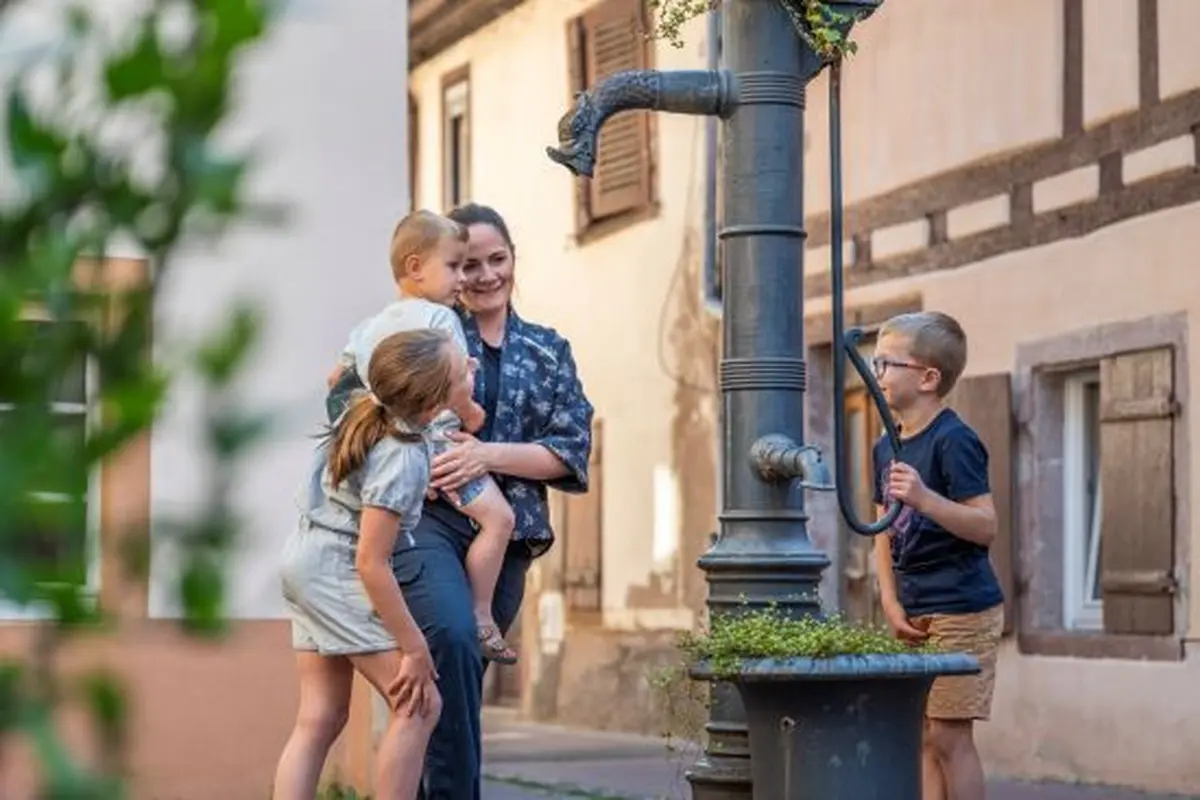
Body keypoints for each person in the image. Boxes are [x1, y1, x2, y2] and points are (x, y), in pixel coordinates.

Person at [327, 202, 594, 799]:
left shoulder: (549, 349)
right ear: (445, 269)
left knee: (458, 680)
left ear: (513, 261)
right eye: (468, 264)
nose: (484, 275)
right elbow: (355, 398)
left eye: (497, 260)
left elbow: (571, 450)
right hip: (429, 521)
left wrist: (485, 455)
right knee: (448, 640)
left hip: (506, 539)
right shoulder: (426, 328)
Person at [273, 328, 473, 800]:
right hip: (336, 569)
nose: (472, 372)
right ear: (433, 399)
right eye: (463, 371)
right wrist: (415, 648)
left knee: (320, 716)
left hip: (305, 558)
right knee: (419, 706)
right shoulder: (400, 455)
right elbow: (371, 563)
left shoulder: (371, 408)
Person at [327, 209, 520, 665]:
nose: (461, 280)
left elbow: (335, 382)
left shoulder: (367, 327)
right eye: (454, 266)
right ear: (416, 268)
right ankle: (481, 615)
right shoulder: (441, 321)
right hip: (442, 452)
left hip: (394, 445)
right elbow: (456, 389)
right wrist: (472, 415)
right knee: (500, 521)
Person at [870, 311, 1004, 800]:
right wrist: (890, 600)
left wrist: (926, 499)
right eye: (875, 362)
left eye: (887, 363)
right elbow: (881, 530)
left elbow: (985, 526)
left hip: (962, 606)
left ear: (928, 377)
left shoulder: (955, 440)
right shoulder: (886, 446)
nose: (876, 374)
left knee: (950, 736)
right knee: (923, 735)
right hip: (914, 606)